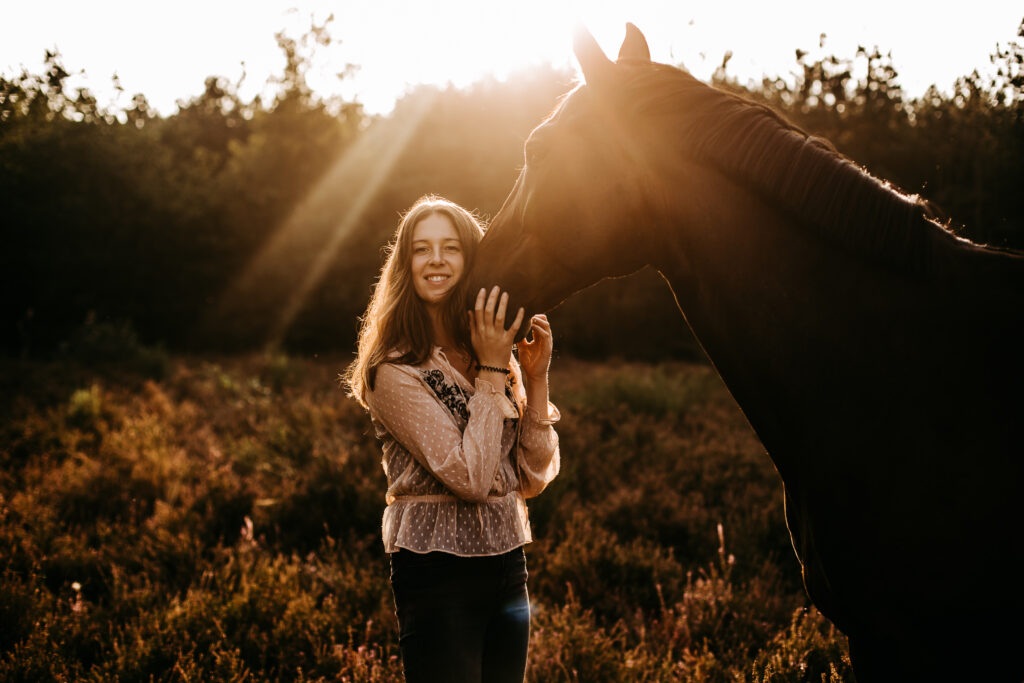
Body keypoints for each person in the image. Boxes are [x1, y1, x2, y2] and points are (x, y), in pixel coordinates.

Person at [344, 195, 560, 683]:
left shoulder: (489, 349)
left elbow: (531, 476)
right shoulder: (395, 368)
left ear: (472, 260)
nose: (437, 260)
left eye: (451, 248)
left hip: (508, 564)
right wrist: (490, 367)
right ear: (406, 263)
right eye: (422, 249)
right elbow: (470, 478)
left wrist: (536, 377)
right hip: (437, 573)